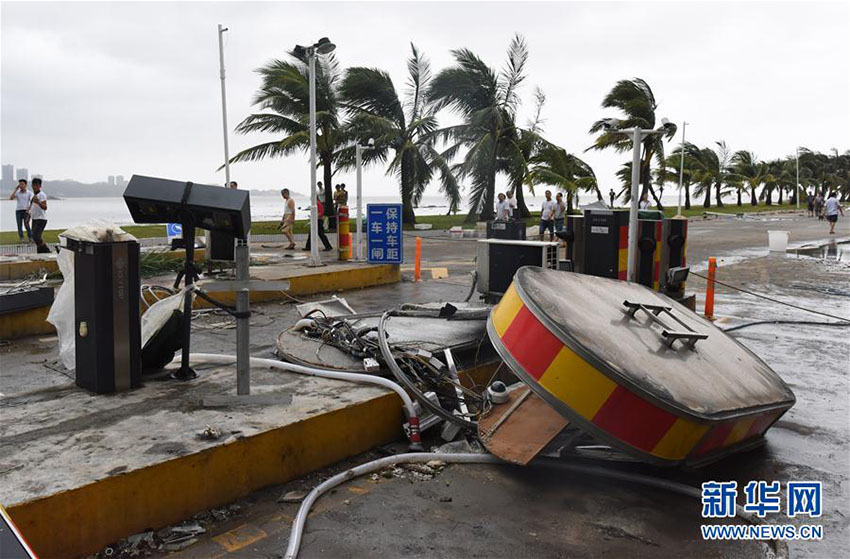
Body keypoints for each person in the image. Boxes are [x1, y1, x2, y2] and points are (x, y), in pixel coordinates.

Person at [9, 179, 33, 243]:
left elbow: (31, 201)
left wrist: (29, 209)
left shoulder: (29, 193)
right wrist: (15, 190)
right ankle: (22, 238)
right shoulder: (17, 193)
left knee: (27, 225)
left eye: (22, 184)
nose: (21, 185)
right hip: (18, 211)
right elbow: (11, 198)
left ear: (25, 185)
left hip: (26, 211)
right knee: (19, 225)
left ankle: (30, 238)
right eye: (20, 184)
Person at [29, 178, 49, 253]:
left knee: (36, 237)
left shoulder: (42, 195)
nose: (35, 187)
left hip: (41, 219)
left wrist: (38, 202)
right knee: (35, 237)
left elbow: (45, 207)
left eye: (37, 185)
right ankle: (40, 252)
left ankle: (47, 251)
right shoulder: (33, 195)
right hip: (34, 219)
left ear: (40, 186)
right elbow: (31, 207)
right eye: (34, 185)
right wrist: (28, 217)